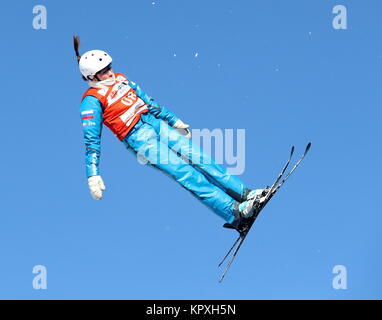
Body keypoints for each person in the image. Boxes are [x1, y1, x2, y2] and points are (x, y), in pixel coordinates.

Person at [73, 36, 268, 232]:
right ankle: (235, 213)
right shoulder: (91, 101)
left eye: (109, 67)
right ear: (92, 77)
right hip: (139, 139)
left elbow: (148, 101)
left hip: (154, 123)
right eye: (104, 72)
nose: (110, 73)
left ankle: (246, 196)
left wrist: (173, 120)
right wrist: (93, 174)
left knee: (200, 158)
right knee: (186, 173)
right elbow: (91, 141)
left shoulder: (122, 79)